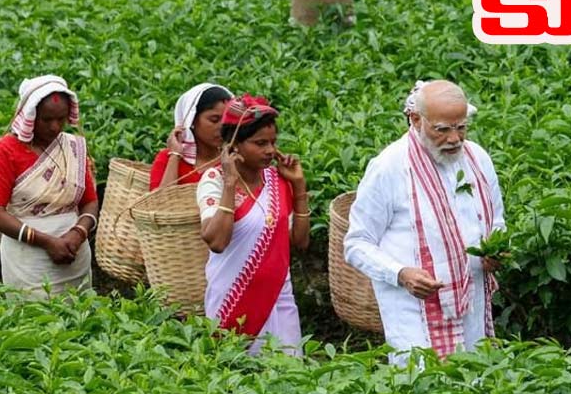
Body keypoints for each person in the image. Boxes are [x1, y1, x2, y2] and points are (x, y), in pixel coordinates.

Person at [344, 80, 506, 364]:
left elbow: (496, 219)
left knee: (474, 377)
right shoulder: (389, 167)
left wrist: (496, 248)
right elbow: (357, 243)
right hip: (414, 308)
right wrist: (400, 273)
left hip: (472, 298)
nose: (455, 138)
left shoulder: (478, 159)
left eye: (461, 127)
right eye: (442, 129)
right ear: (416, 119)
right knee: (422, 383)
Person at [195, 94, 310, 355]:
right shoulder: (213, 180)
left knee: (290, 375)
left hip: (279, 298)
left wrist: (299, 187)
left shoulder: (277, 179)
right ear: (234, 145)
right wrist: (230, 184)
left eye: (272, 142)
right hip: (234, 300)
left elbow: (300, 242)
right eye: (260, 143)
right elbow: (216, 241)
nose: (270, 150)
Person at [0, 75, 99, 297]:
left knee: (80, 321)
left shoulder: (73, 147)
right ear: (30, 116)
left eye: (61, 119)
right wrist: (46, 242)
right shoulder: (5, 151)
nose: (55, 126)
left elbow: (90, 201)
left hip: (74, 254)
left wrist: (78, 233)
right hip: (28, 260)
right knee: (31, 320)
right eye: (46, 120)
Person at [150, 83, 234, 190]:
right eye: (214, 120)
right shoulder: (167, 158)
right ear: (192, 119)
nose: (222, 128)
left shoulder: (232, 160)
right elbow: (158, 202)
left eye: (227, 121)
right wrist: (175, 156)